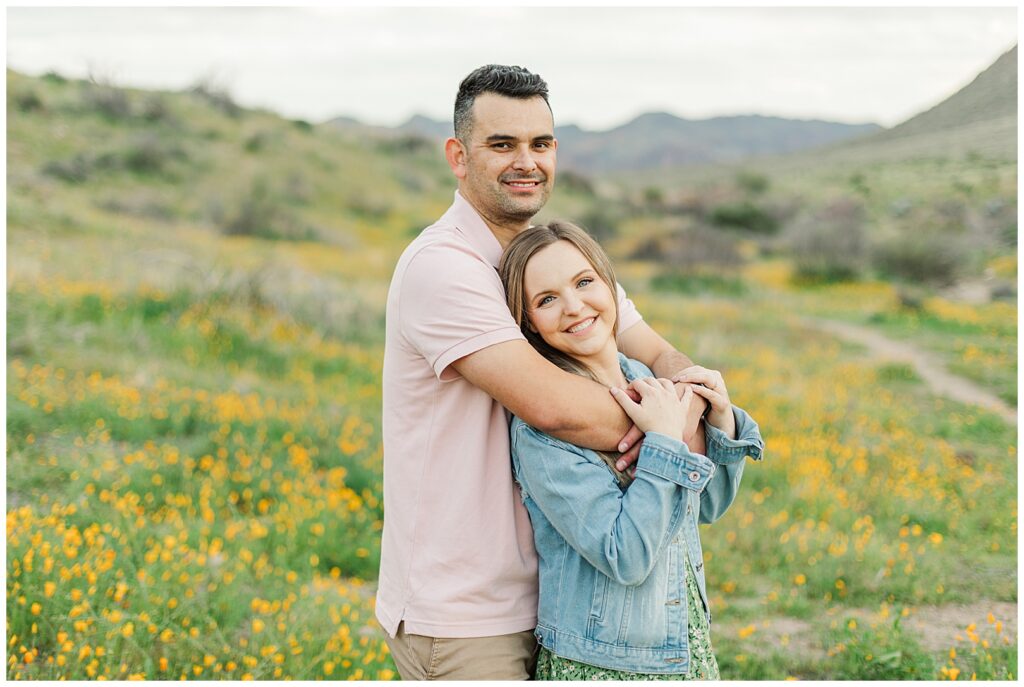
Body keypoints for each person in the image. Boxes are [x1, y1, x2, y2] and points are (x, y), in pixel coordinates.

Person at [377, 64, 709, 680]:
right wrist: (671, 426)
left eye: (541, 143)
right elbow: (555, 408)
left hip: (561, 596)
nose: (525, 161)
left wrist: (684, 394)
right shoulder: (442, 266)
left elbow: (661, 354)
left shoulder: (552, 262)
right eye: (502, 144)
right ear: (458, 154)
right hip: (466, 612)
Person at [499, 222, 764, 679]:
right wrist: (663, 443)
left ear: (608, 283)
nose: (574, 307)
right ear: (529, 324)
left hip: (684, 644)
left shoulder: (644, 377)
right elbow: (626, 557)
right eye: (546, 300)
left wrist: (719, 420)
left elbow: (708, 506)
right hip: (602, 664)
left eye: (584, 282)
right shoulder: (542, 431)